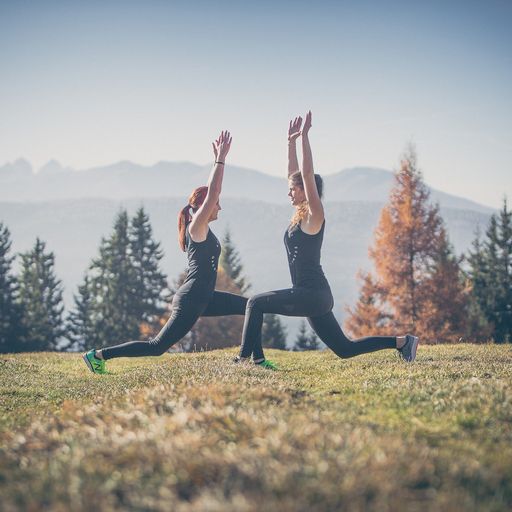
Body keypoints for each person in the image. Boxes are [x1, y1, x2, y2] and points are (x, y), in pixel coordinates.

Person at [236, 112, 419, 368]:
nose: (288, 192)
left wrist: (305, 138)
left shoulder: (314, 215)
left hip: (313, 294)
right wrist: (289, 142)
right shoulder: (298, 214)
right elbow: (296, 174)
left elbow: (306, 174)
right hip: (314, 295)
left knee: (255, 303)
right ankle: (403, 342)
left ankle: (248, 360)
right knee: (344, 349)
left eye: (293, 189)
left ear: (306, 191)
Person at [83, 130, 248, 374]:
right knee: (157, 346)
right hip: (192, 298)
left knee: (252, 306)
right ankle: (98, 355)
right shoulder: (197, 226)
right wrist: (220, 160)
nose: (220, 207)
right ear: (205, 206)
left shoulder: (201, 226)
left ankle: (251, 358)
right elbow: (213, 192)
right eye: (216, 204)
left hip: (205, 297)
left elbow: (212, 194)